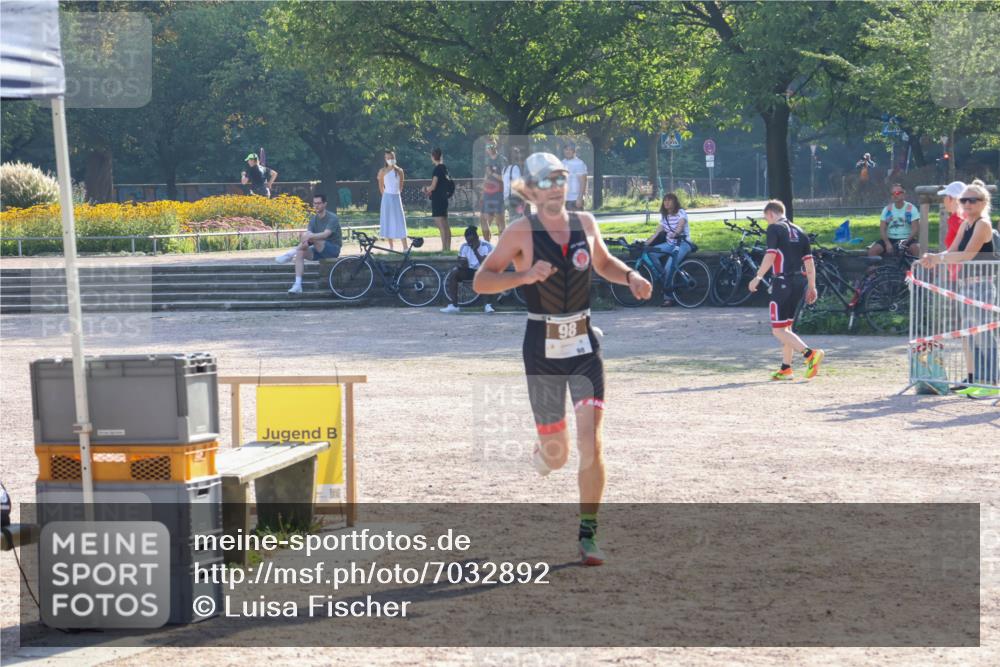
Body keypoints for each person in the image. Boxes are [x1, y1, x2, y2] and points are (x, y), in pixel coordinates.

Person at [472, 152, 652, 566]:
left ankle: (588, 534)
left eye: (562, 177)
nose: (558, 185)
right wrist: (522, 276)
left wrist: (630, 276)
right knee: (559, 454)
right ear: (532, 190)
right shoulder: (520, 232)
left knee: (591, 441)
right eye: (549, 180)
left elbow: (603, 262)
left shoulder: (585, 224)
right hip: (542, 344)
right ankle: (545, 450)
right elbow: (482, 280)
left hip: (585, 342)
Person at [917, 180, 997, 396]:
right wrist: (935, 258)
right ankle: (979, 380)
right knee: (971, 336)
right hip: (965, 286)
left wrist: (938, 258)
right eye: (964, 200)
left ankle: (991, 382)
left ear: (983, 202)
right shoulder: (966, 223)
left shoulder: (983, 224)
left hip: (982, 287)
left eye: (973, 200)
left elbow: (967, 255)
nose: (967, 204)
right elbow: (952, 250)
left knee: (984, 336)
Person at [748, 200, 824, 381]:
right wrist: (812, 286)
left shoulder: (775, 229)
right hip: (799, 282)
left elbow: (770, 254)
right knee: (786, 327)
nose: (768, 222)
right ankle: (786, 368)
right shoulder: (800, 231)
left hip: (782, 281)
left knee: (777, 330)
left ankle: (809, 354)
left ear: (771, 214)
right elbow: (809, 262)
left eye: (767, 219)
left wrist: (757, 277)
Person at [275, 193, 342, 294]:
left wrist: (308, 237)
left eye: (319, 203)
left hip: (332, 249)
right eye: (314, 203)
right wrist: (305, 240)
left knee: (310, 236)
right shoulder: (313, 219)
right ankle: (297, 285)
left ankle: (290, 253)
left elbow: (325, 234)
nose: (316, 206)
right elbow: (307, 240)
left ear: (325, 204)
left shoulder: (332, 218)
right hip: (317, 249)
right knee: (301, 252)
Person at [643, 193, 692, 307]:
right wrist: (647, 243)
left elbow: (680, 226)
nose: (667, 203)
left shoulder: (681, 213)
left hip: (682, 244)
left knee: (669, 267)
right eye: (665, 201)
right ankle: (663, 275)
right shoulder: (665, 216)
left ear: (675, 202)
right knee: (651, 252)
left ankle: (668, 298)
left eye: (669, 200)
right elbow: (657, 233)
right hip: (670, 244)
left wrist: (676, 234)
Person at [440, 226, 495, 314]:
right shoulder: (464, 246)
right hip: (470, 270)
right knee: (454, 273)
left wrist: (475, 251)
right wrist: (462, 263)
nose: (470, 244)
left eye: (472, 241)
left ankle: (487, 305)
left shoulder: (487, 246)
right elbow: (460, 260)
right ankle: (454, 306)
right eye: (468, 241)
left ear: (477, 238)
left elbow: (484, 263)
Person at [868, 184, 921, 259]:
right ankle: (874, 270)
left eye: (897, 193)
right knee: (872, 251)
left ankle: (916, 269)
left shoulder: (911, 208)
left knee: (916, 248)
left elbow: (915, 228)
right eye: (892, 194)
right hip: (890, 239)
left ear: (904, 194)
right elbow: (882, 229)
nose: (895, 195)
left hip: (907, 238)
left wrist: (906, 241)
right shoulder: (887, 209)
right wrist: (887, 243)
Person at [378, 150, 408, 251]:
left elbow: (401, 186)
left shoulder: (400, 171)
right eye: (388, 158)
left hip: (396, 197)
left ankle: (405, 247)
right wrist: (386, 196)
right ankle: (391, 247)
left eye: (392, 157)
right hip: (387, 197)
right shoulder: (382, 171)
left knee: (400, 220)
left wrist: (395, 194)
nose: (390, 160)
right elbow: (381, 187)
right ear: (385, 159)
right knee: (388, 220)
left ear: (395, 158)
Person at [423, 148, 452, 252]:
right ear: (441, 156)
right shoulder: (444, 168)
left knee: (441, 225)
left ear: (432, 157)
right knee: (445, 225)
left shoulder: (437, 169)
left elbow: (434, 186)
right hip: (444, 199)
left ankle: (444, 249)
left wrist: (426, 189)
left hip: (438, 200)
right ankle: (448, 248)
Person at [479, 141, 506, 242]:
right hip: (488, 194)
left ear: (495, 146)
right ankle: (487, 243)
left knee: (500, 221)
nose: (488, 148)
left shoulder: (502, 159)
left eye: (490, 146)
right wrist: (482, 193)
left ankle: (502, 245)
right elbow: (486, 177)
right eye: (487, 146)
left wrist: (492, 173)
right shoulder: (488, 161)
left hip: (498, 193)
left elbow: (504, 177)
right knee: (483, 218)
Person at [938, 180, 967, 248]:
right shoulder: (967, 215)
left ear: (949, 198)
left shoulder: (956, 218)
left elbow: (967, 243)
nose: (944, 200)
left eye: (945, 196)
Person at [561, 142, 588, 211]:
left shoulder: (579, 163)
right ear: (564, 150)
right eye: (566, 149)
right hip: (564, 199)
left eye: (570, 150)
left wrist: (580, 198)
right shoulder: (562, 163)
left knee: (576, 221)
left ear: (574, 151)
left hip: (575, 199)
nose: (568, 151)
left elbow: (583, 181)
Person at [502, 147, 525, 221]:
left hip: (506, 198)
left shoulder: (504, 169)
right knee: (517, 221)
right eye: (517, 155)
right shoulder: (515, 168)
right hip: (514, 198)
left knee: (514, 220)